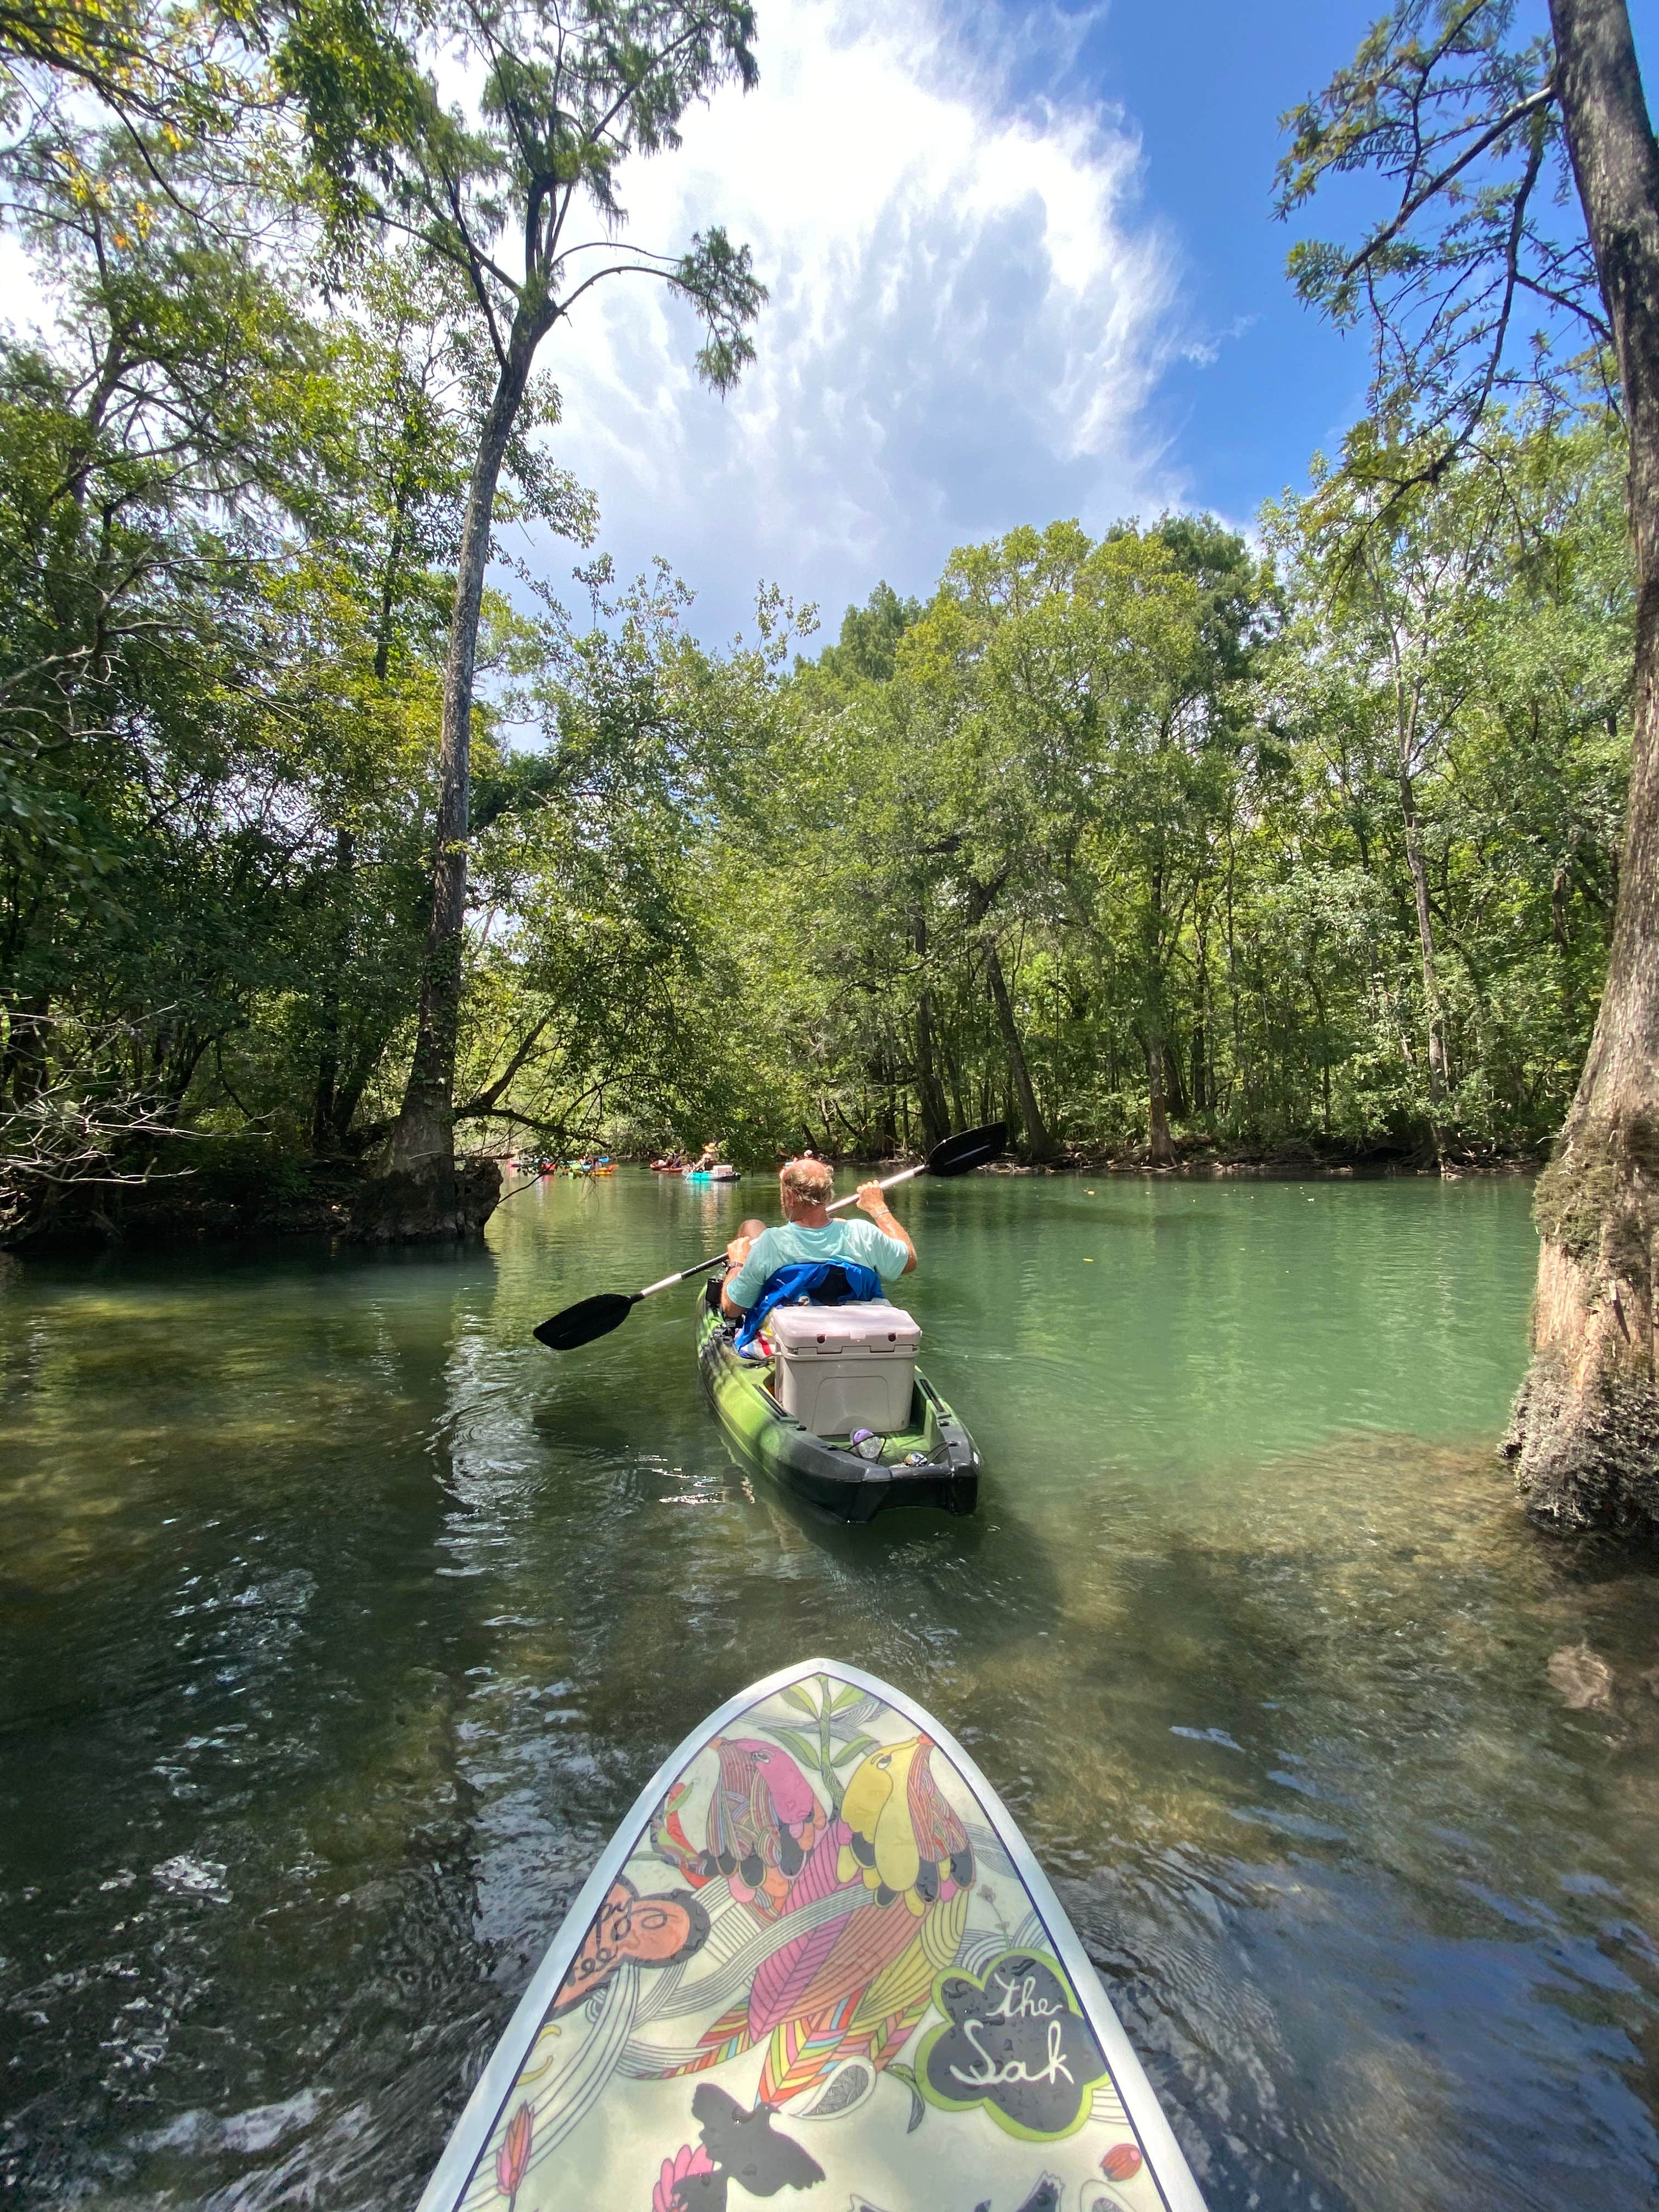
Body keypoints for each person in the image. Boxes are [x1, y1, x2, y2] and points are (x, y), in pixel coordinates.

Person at [720, 1157, 915, 1321]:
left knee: (752, 1226)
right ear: (829, 1195)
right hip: (859, 1336)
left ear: (789, 1197)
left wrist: (737, 1262)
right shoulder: (862, 1233)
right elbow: (909, 1261)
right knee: (753, 1225)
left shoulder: (772, 1242)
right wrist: (878, 1208)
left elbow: (733, 1309)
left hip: (799, 1347)